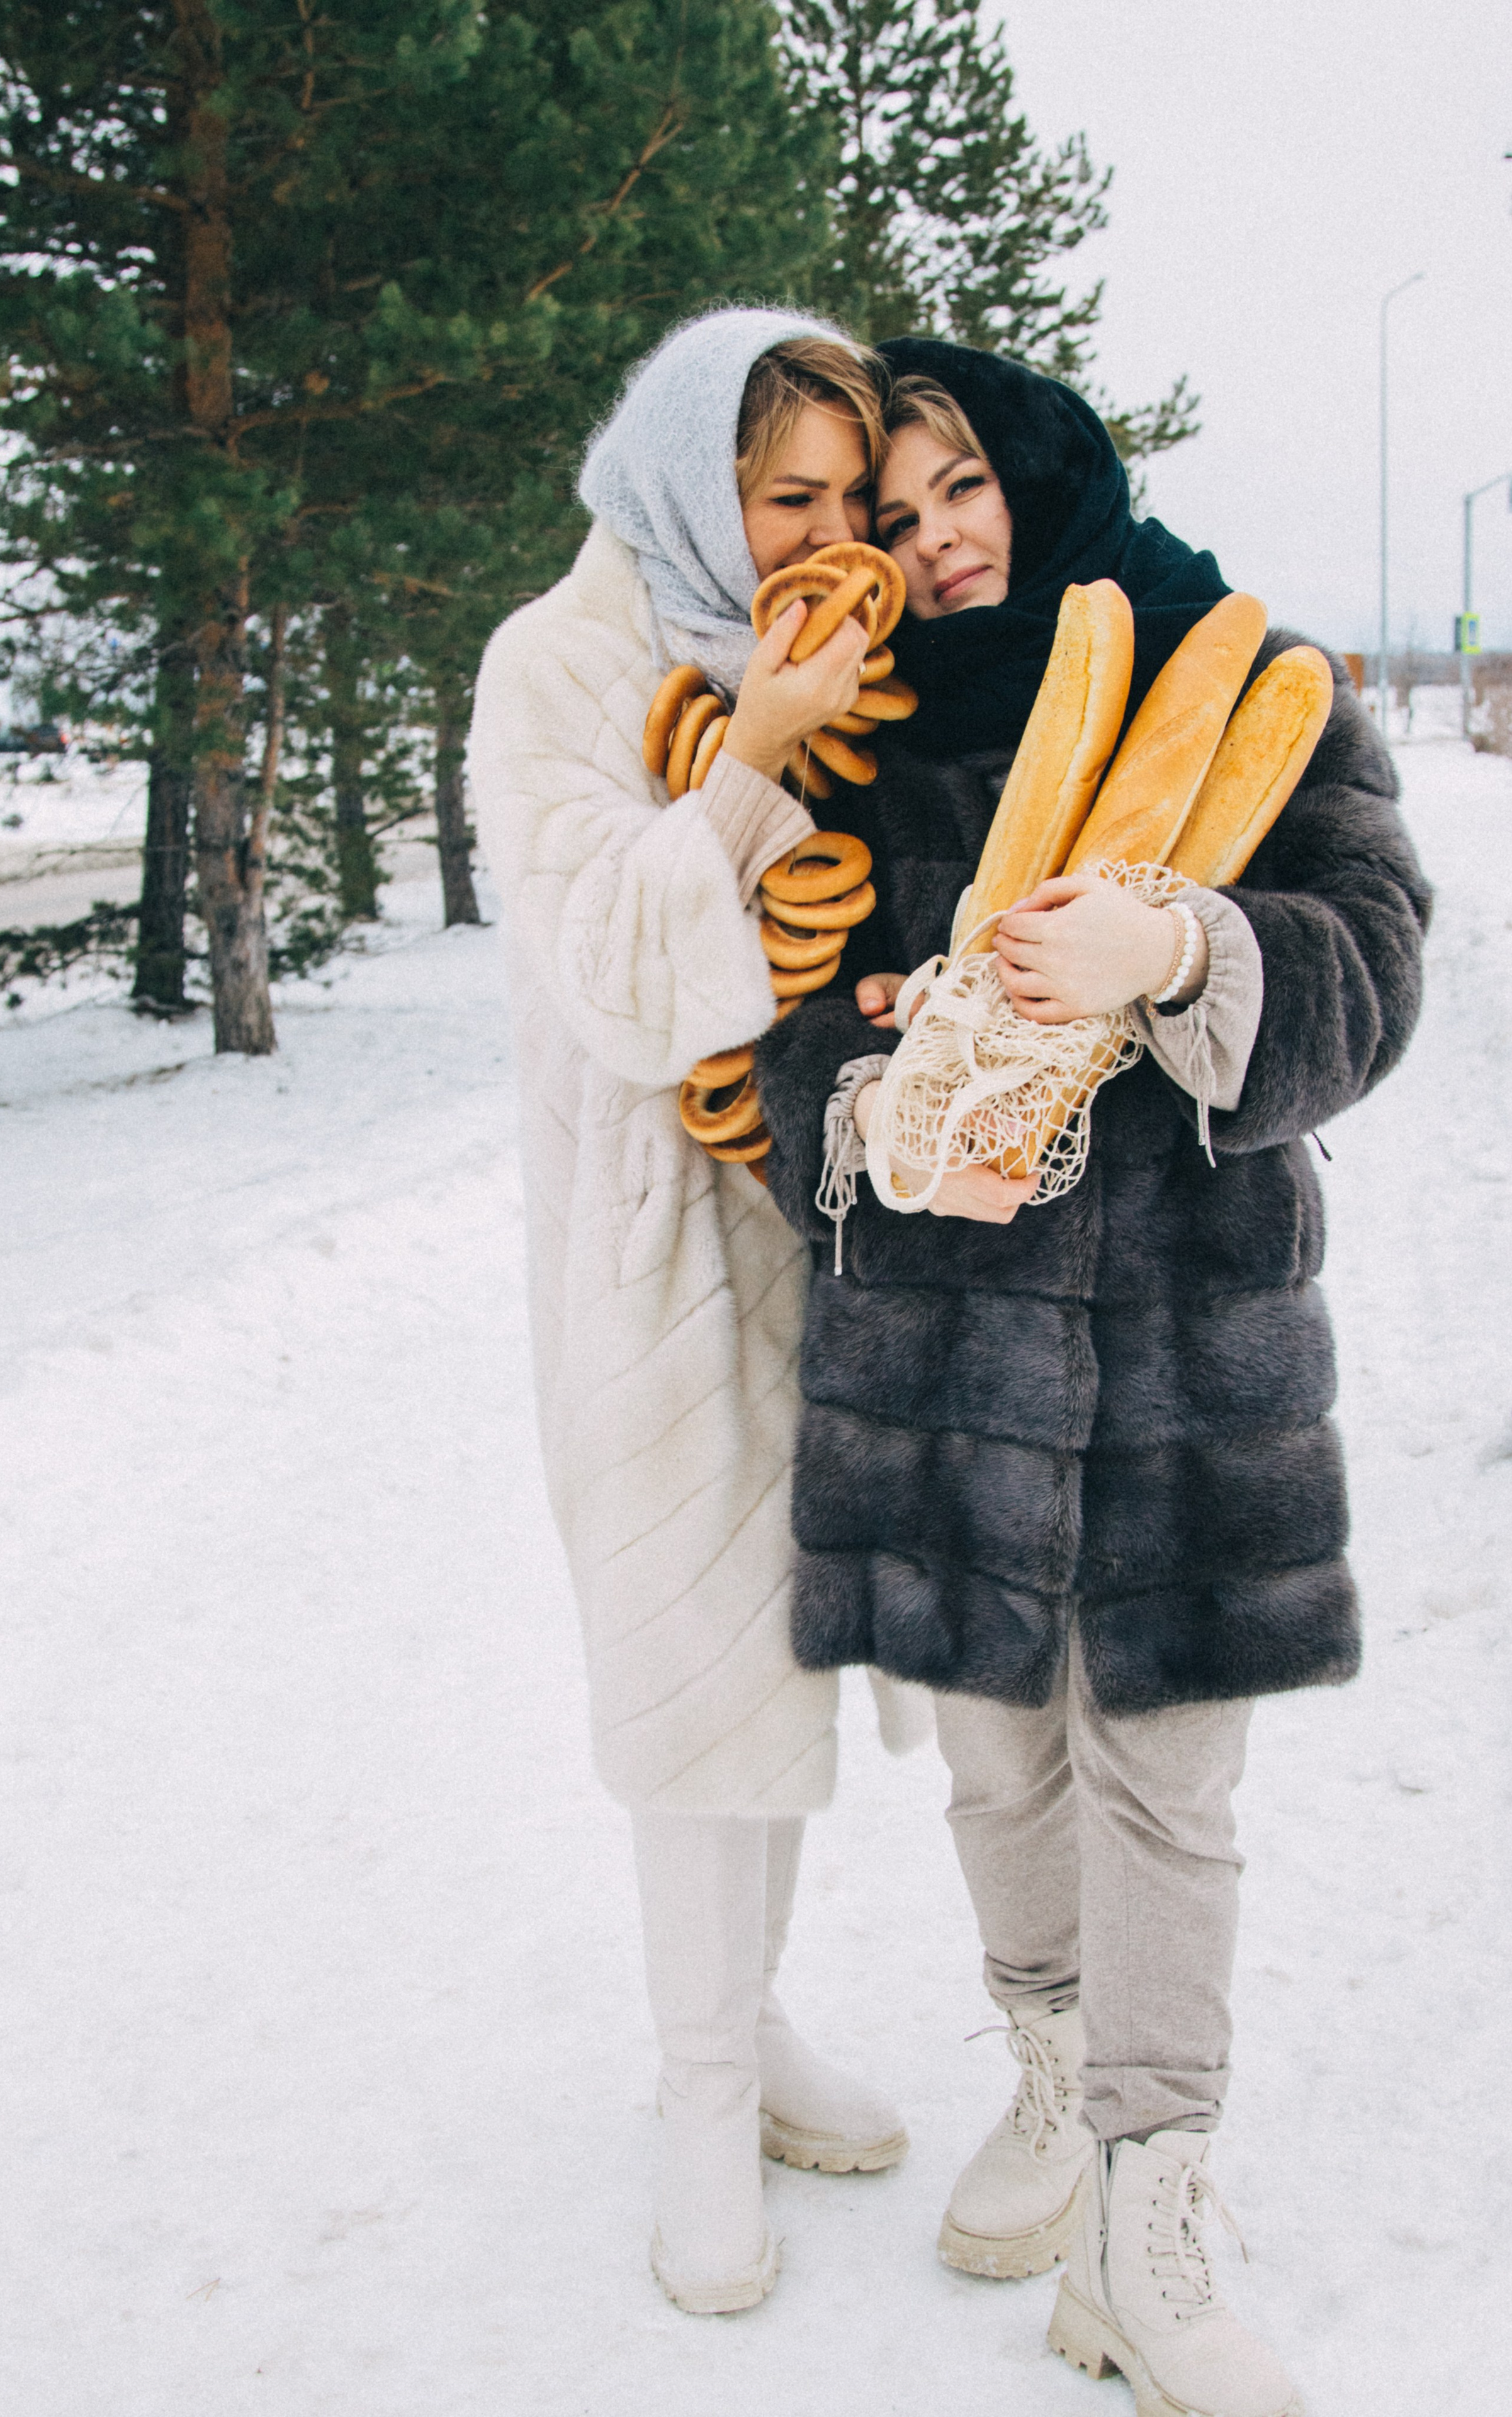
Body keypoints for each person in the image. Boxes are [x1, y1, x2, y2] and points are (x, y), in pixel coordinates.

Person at [754, 338, 1430, 2416]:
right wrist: (867, 1102)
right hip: (940, 1341)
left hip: (1179, 1344)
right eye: (891, 511)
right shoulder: (865, 751)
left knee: (1171, 1781)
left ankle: (1150, 2215)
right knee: (994, 1763)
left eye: (959, 486)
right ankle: (1049, 2074)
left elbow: (1381, 958)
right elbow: (786, 1031)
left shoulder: (1239, 677)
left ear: (1042, 474)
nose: (931, 538)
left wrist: (1181, 958)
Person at [467, 308, 932, 2318]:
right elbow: (614, 972)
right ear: (690, 481)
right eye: (782, 495)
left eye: (848, 496)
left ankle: (753, 2026)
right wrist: (747, 761)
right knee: (685, 1671)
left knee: (786, 1655)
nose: (822, 537)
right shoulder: (557, 665)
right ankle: (695, 2094)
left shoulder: (849, 665)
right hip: (652, 1240)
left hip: (814, 1223)